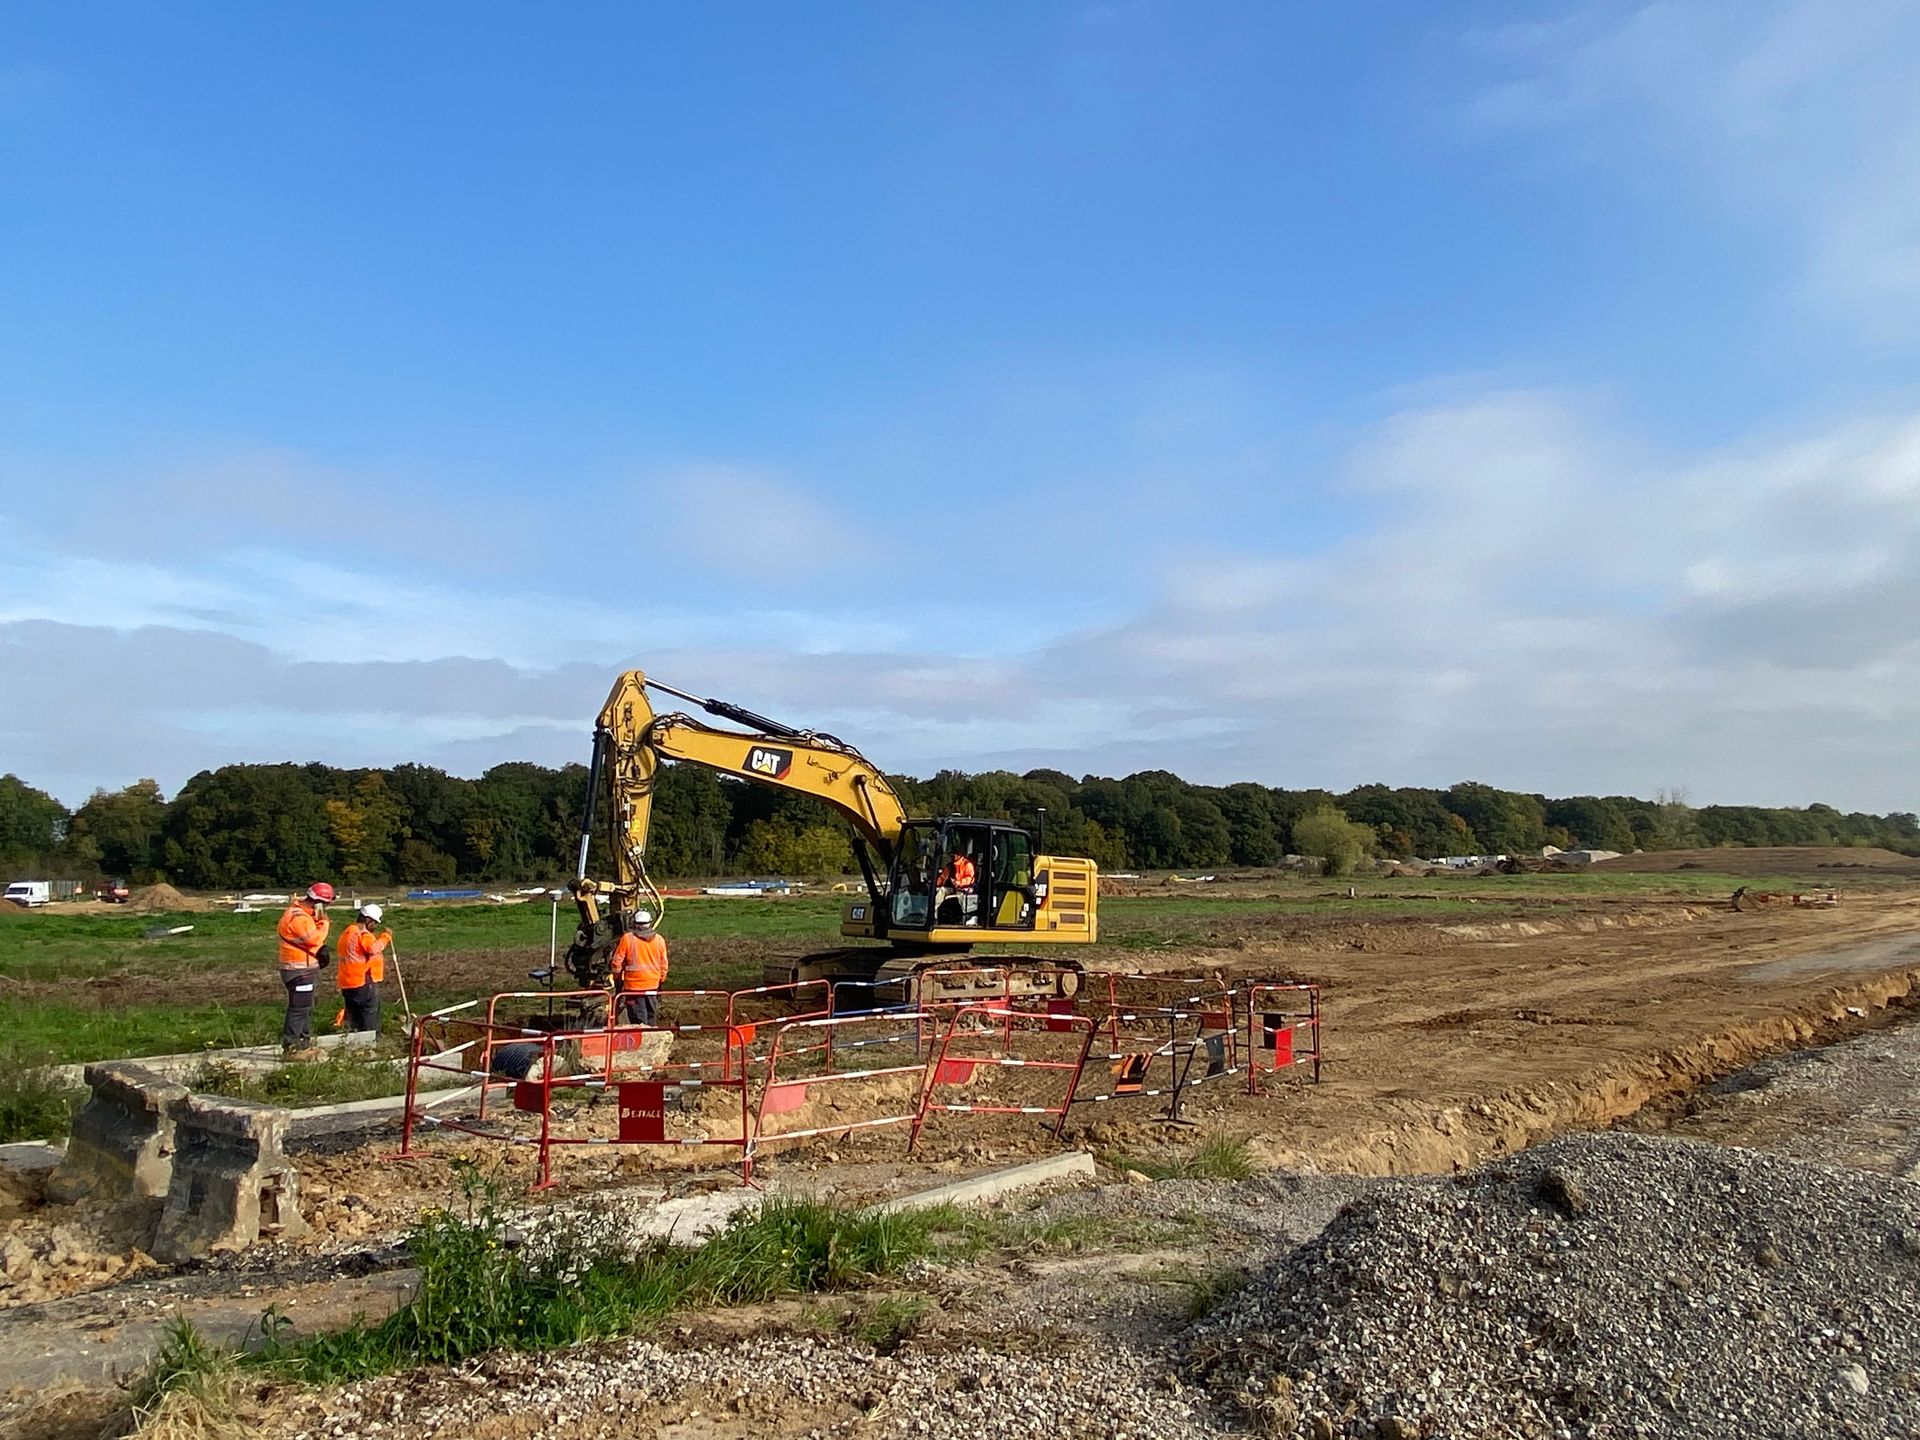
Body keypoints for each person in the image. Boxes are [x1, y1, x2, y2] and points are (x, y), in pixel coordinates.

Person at [277, 882, 334, 1053]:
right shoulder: (299, 918)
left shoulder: (302, 914)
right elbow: (314, 939)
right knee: (299, 1008)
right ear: (320, 902)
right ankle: (292, 1047)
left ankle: (303, 1044)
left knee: (305, 1008)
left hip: (302, 969)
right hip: (298, 969)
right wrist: (324, 923)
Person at [335, 902, 393, 1034]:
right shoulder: (362, 934)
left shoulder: (347, 932)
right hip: (362, 980)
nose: (375, 926)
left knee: (354, 1015)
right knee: (369, 1015)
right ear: (368, 920)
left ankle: (353, 1041)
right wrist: (386, 937)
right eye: (374, 923)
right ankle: (370, 1042)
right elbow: (372, 949)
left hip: (347, 982)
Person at [611, 909, 668, 1026]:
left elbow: (617, 962)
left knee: (637, 1021)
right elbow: (664, 964)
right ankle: (652, 1040)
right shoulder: (659, 940)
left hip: (633, 987)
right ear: (649, 923)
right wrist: (661, 981)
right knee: (651, 1016)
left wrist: (617, 978)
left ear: (634, 923)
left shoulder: (627, 938)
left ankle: (641, 1042)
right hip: (652, 985)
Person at [935, 846, 978, 925]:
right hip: (952, 888)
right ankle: (933, 910)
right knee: (942, 890)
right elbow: (942, 877)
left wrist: (959, 882)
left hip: (963, 889)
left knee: (957, 898)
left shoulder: (967, 864)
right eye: (953, 855)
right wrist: (934, 884)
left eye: (956, 855)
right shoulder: (949, 866)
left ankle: (962, 917)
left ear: (960, 855)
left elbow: (970, 878)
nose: (954, 856)